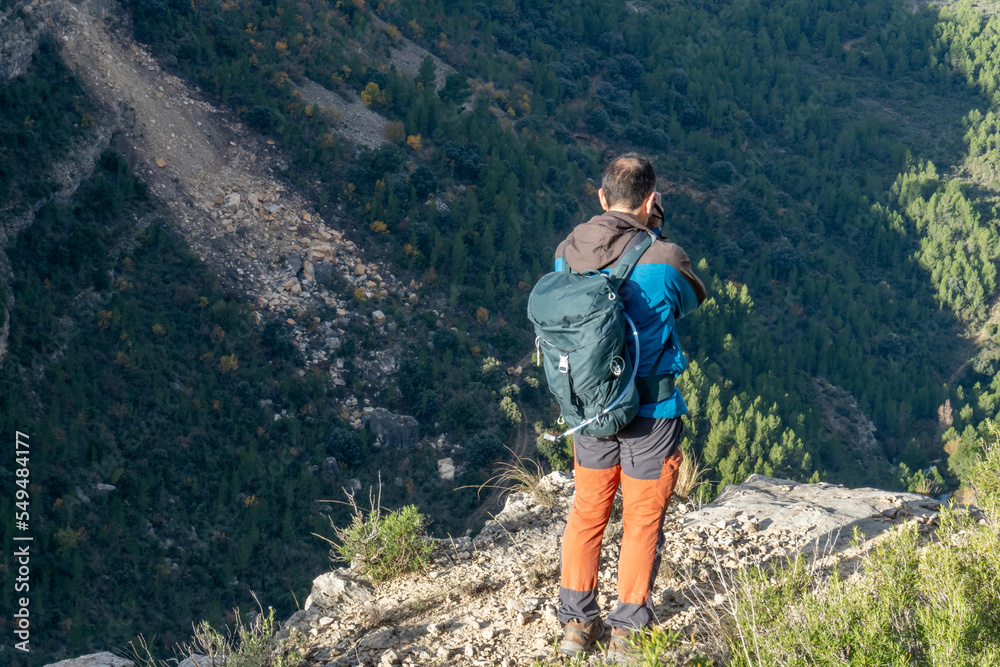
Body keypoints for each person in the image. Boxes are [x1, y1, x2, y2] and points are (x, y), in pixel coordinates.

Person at [553, 153, 706, 662]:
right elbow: (689, 301)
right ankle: (627, 632)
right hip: (651, 412)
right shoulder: (666, 257)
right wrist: (655, 231)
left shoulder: (567, 250)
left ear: (601, 197)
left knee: (588, 512)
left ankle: (577, 626)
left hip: (591, 407)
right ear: (650, 200)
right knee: (641, 520)